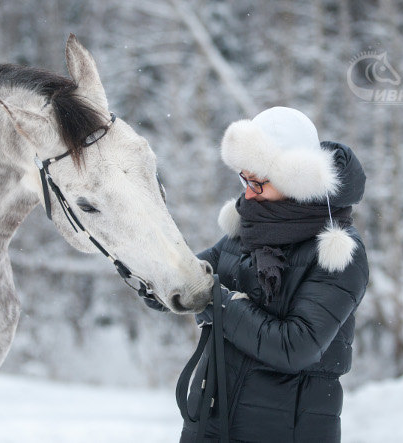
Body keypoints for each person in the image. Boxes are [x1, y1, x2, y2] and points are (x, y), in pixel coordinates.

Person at [149, 106, 369, 442]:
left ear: (292, 177)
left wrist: (218, 303)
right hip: (212, 424)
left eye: (257, 182)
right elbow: (190, 278)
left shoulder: (337, 251)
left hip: (286, 431)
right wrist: (147, 268)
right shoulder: (249, 226)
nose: (248, 192)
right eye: (243, 179)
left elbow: (296, 346)